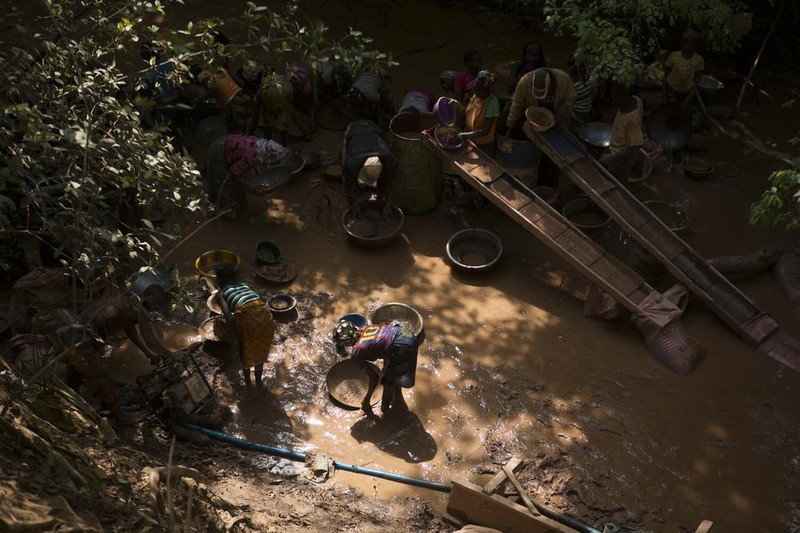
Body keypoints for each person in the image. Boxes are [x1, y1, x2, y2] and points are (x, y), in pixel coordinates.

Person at [506, 67, 576, 187]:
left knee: (555, 157)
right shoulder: (524, 82)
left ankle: (552, 185)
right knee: (536, 152)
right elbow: (516, 106)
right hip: (534, 122)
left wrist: (561, 112)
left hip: (556, 122)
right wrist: (510, 127)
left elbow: (570, 98)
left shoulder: (563, 79)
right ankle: (538, 180)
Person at [333, 319, 418, 416]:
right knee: (392, 372)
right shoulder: (366, 328)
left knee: (388, 382)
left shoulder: (356, 352)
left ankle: (385, 410)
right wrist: (386, 368)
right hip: (406, 334)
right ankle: (397, 394)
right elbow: (387, 343)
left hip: (401, 346)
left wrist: (366, 400)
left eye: (343, 344)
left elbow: (374, 377)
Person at [212, 263, 275, 386]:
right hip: (265, 314)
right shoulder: (244, 285)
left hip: (247, 316)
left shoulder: (220, 294)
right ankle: (258, 382)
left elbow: (229, 317)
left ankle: (248, 384)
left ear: (218, 281)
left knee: (244, 351)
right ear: (235, 278)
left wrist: (234, 341)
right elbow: (257, 299)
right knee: (260, 350)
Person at [204, 134, 291, 215]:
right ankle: (225, 208)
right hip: (219, 151)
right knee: (224, 182)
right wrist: (250, 186)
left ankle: (232, 204)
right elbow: (233, 172)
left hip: (223, 141)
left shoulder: (259, 145)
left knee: (233, 182)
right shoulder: (251, 158)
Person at [342, 119, 396, 215]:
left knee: (383, 186)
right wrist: (354, 204)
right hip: (353, 130)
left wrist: (388, 205)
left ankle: (380, 195)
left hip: (373, 128)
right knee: (349, 188)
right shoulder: (353, 164)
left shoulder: (389, 160)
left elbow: (391, 182)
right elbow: (350, 183)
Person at [601, 92, 644, 182]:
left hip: (622, 158)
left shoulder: (631, 119)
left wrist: (612, 157)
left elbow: (636, 145)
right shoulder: (636, 100)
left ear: (625, 97)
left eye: (616, 97)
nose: (613, 99)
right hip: (617, 149)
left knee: (616, 182)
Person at [458, 70, 500, 156]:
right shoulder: (477, 96)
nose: (474, 90)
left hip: (483, 145)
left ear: (486, 91)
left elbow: (484, 131)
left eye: (477, 89)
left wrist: (463, 135)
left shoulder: (492, 104)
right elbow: (468, 112)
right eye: (474, 87)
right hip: (471, 139)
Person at [346, 62, 395, 130]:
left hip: (379, 78)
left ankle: (388, 122)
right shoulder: (353, 88)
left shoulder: (370, 95)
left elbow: (382, 98)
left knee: (385, 100)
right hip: (369, 75)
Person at [663, 29, 704, 108]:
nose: (688, 45)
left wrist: (687, 101)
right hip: (671, 90)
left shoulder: (699, 60)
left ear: (695, 45)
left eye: (691, 42)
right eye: (685, 42)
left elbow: (696, 83)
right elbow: (665, 76)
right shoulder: (674, 56)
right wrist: (664, 95)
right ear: (682, 43)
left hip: (686, 93)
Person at [255, 70, 294, 146]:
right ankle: (284, 145)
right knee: (284, 121)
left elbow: (257, 100)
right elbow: (291, 102)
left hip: (271, 102)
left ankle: (267, 143)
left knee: (268, 121)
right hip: (284, 101)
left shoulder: (264, 85)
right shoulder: (286, 82)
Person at [568, 53, 595, 125]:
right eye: (581, 67)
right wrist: (577, 120)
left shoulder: (587, 77)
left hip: (587, 110)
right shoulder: (571, 84)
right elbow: (568, 105)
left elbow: (591, 94)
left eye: (583, 66)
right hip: (578, 114)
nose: (584, 69)